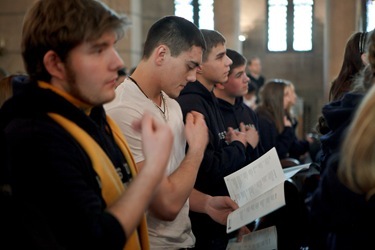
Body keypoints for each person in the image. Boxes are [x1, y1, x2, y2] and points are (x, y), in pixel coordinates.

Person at [0, 0, 175, 249]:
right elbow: (94, 240)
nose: (118, 62)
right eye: (98, 50)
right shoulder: (34, 136)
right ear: (55, 64)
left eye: (112, 47)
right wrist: (152, 171)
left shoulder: (93, 116)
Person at [105, 16, 239, 250]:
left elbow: (174, 182)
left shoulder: (173, 105)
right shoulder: (123, 110)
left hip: (186, 242)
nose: (192, 77)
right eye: (189, 66)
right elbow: (166, 205)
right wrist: (197, 149)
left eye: (197, 68)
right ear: (161, 54)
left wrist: (206, 203)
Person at [177, 29, 253, 250]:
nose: (229, 61)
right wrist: (239, 146)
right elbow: (206, 167)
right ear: (199, 64)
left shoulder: (208, 98)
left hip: (218, 212)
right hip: (202, 221)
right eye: (220, 56)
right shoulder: (192, 103)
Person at [213, 48, 262, 164]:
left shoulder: (248, 112)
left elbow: (260, 158)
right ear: (220, 82)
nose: (247, 79)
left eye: (245, 73)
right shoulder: (211, 114)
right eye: (239, 75)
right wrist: (246, 145)